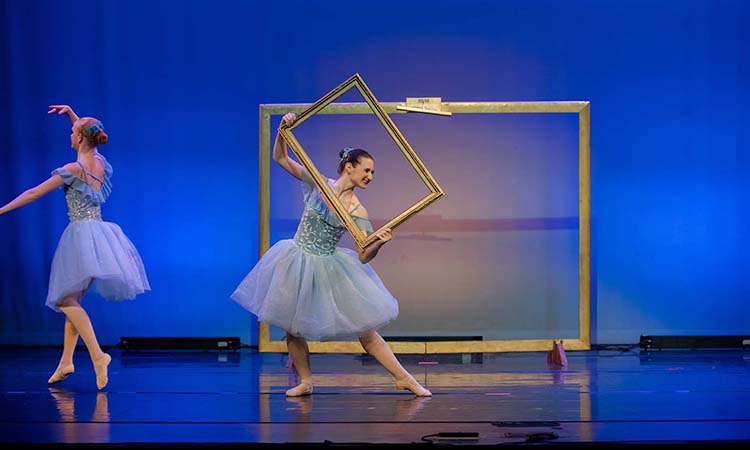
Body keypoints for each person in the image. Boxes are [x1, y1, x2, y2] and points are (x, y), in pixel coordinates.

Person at [232, 113, 431, 397]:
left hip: (330, 268)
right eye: (367, 170)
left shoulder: (358, 211)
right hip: (296, 260)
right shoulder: (319, 184)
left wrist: (379, 243)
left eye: (373, 173)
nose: (370, 177)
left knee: (366, 330)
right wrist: (282, 130)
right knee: (292, 328)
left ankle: (405, 379)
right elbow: (280, 158)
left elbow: (364, 256)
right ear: (349, 167)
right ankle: (306, 381)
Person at [0, 105, 150, 389]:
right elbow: (87, 133)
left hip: (81, 238)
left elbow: (34, 193)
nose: (70, 135)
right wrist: (71, 114)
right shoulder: (101, 164)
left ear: (80, 138)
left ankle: (98, 356)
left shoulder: (72, 170)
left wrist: (1, 210)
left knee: (65, 301)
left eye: (72, 132)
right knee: (73, 301)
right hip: (102, 238)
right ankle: (66, 362)